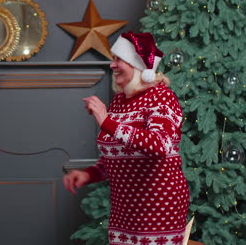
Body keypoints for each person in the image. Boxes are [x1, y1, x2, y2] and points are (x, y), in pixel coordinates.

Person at [63, 31, 190, 245]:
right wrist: (90, 174)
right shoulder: (120, 102)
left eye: (118, 59)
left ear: (138, 65)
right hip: (125, 211)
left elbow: (160, 144)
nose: (112, 66)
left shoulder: (161, 97)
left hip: (159, 208)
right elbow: (120, 154)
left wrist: (107, 122)